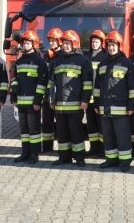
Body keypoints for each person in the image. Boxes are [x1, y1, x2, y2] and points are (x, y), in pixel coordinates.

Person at [47, 29, 92, 167]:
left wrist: (85, 100)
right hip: (59, 105)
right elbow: (52, 82)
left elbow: (87, 83)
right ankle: (64, 157)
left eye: (68, 43)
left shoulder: (83, 61)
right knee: (62, 133)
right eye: (64, 43)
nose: (65, 46)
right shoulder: (57, 60)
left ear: (75, 44)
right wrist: (51, 98)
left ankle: (79, 158)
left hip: (75, 105)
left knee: (76, 132)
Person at [94, 31, 134, 171]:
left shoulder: (127, 64)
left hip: (121, 107)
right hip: (105, 107)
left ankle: (125, 162)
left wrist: (132, 105)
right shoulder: (102, 65)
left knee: (122, 136)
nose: (111, 48)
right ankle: (111, 159)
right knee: (108, 136)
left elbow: (132, 87)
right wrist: (96, 103)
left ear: (119, 46)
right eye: (109, 45)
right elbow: (97, 87)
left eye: (114, 45)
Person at [10, 30, 48, 164]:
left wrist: (38, 101)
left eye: (28, 43)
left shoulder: (40, 61)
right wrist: (13, 97)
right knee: (24, 129)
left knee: (34, 130)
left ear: (34, 44)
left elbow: (42, 83)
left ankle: (34, 154)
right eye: (24, 43)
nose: (25, 45)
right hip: (21, 102)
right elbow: (15, 80)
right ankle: (25, 153)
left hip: (33, 103)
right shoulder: (19, 62)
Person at [41, 27, 63, 153]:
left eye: (53, 40)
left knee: (60, 123)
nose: (50, 43)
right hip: (47, 94)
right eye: (50, 40)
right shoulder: (47, 55)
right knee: (47, 122)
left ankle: (62, 148)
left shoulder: (62, 56)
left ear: (59, 41)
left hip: (58, 95)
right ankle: (47, 147)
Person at [85, 29, 106, 157]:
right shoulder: (86, 57)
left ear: (101, 43)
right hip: (89, 97)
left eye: (97, 42)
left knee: (102, 125)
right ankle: (93, 148)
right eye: (93, 42)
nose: (94, 44)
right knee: (91, 125)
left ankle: (103, 149)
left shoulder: (105, 57)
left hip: (100, 97)